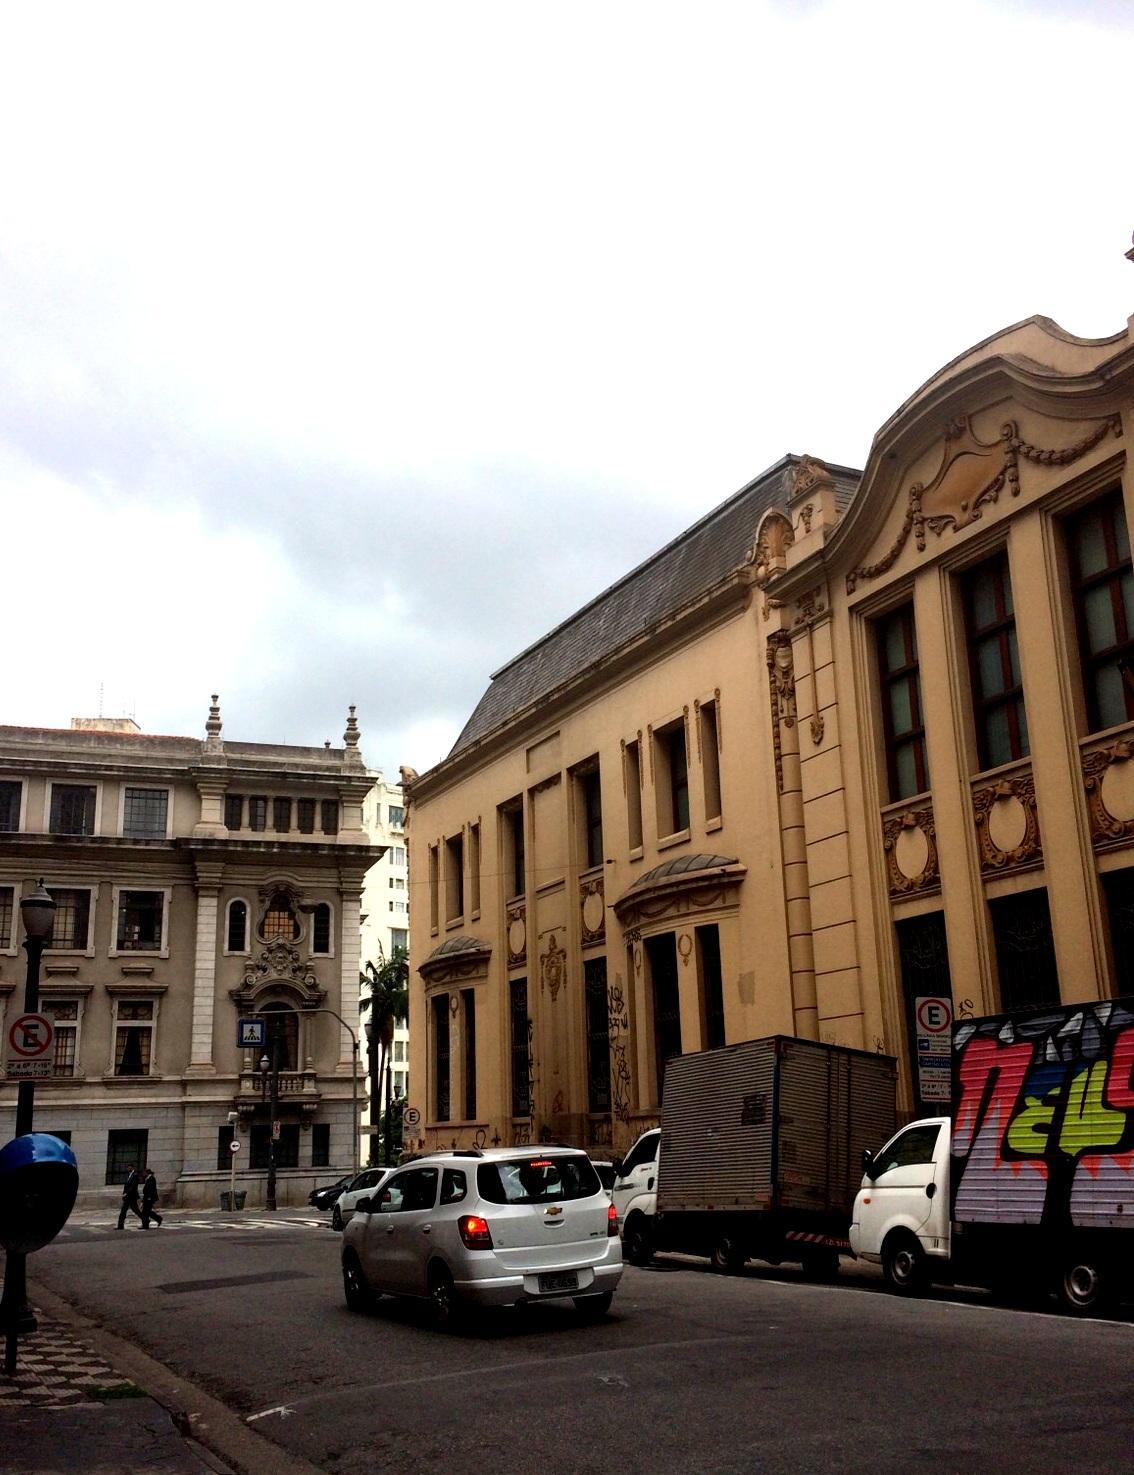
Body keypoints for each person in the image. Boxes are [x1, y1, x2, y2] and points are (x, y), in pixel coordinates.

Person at [116, 1164, 143, 1230]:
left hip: (132, 1196)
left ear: (132, 1168)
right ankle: (120, 1225)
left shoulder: (135, 1175)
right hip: (128, 1197)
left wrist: (127, 1193)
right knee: (124, 1211)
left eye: (129, 1167)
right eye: (127, 1167)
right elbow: (127, 1186)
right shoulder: (129, 1175)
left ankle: (145, 1220)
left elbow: (133, 1186)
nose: (128, 1168)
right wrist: (124, 1193)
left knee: (135, 1210)